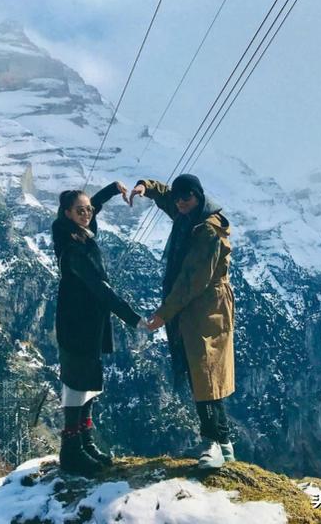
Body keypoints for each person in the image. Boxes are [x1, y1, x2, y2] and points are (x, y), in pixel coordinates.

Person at [130, 173, 235, 469]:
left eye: (186, 197)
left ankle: (212, 442)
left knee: (205, 372)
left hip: (207, 308)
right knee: (201, 371)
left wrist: (164, 313)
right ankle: (224, 443)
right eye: (178, 199)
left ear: (198, 196)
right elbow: (166, 195)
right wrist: (146, 187)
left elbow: (192, 280)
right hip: (194, 307)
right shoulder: (188, 214)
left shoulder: (208, 230)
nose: (180, 203)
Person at [52, 181, 145, 477]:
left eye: (88, 210)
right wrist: (134, 319)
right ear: (67, 213)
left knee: (89, 381)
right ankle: (71, 451)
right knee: (76, 384)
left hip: (88, 323)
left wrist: (111, 190)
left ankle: (84, 441)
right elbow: (100, 289)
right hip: (77, 324)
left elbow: (93, 205)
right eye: (80, 211)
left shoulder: (78, 232)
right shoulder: (73, 248)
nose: (87, 214)